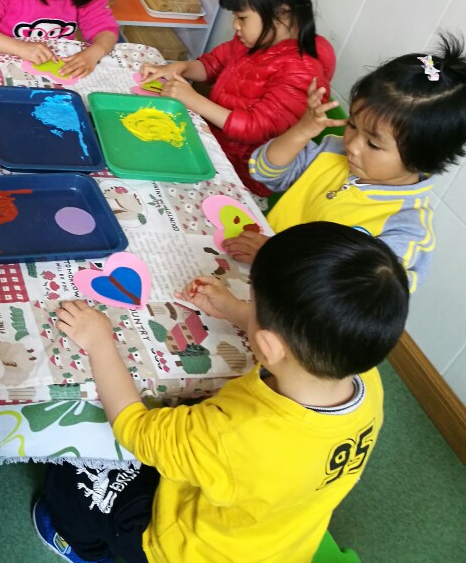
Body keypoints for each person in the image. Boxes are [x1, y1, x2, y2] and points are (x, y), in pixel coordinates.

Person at [33, 222, 408, 563]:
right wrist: (237, 311)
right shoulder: (363, 376)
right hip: (276, 542)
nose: (249, 305)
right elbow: (295, 348)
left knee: (73, 471)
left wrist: (100, 342)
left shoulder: (236, 435)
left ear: (270, 346)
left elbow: (134, 429)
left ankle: (85, 550)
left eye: (253, 302)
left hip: (184, 549)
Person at [231, 34, 466, 292]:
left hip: (292, 305)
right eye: (352, 125)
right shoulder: (333, 150)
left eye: (373, 144)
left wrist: (273, 255)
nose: (352, 145)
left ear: (423, 158)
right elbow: (263, 171)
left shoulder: (405, 227)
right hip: (252, 268)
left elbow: (355, 296)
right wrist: (302, 130)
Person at [140, 0, 335, 196]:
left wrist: (193, 100)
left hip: (244, 178)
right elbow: (213, 64)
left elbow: (254, 127)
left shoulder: (303, 72)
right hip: (216, 149)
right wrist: (183, 68)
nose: (235, 25)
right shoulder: (253, 40)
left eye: (242, 18)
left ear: (283, 12)